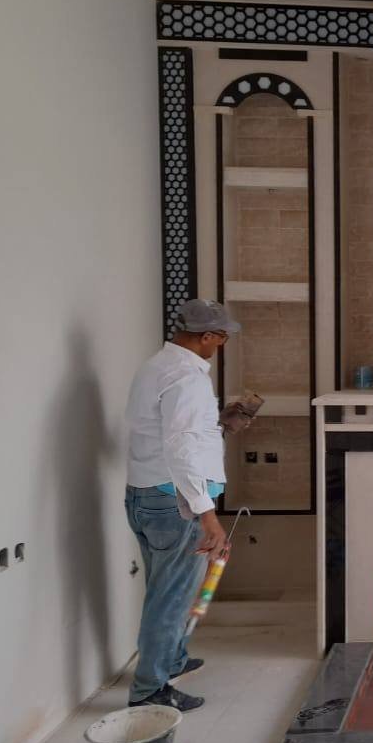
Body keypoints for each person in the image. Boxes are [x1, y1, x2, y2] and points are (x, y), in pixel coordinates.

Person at [123, 299, 248, 711]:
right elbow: (180, 448)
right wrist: (207, 516)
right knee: (171, 599)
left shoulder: (155, 366)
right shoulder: (187, 379)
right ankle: (149, 691)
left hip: (147, 494)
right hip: (176, 502)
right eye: (222, 337)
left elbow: (169, 432)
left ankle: (172, 660)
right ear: (206, 336)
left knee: (166, 590)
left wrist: (218, 425)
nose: (223, 344)